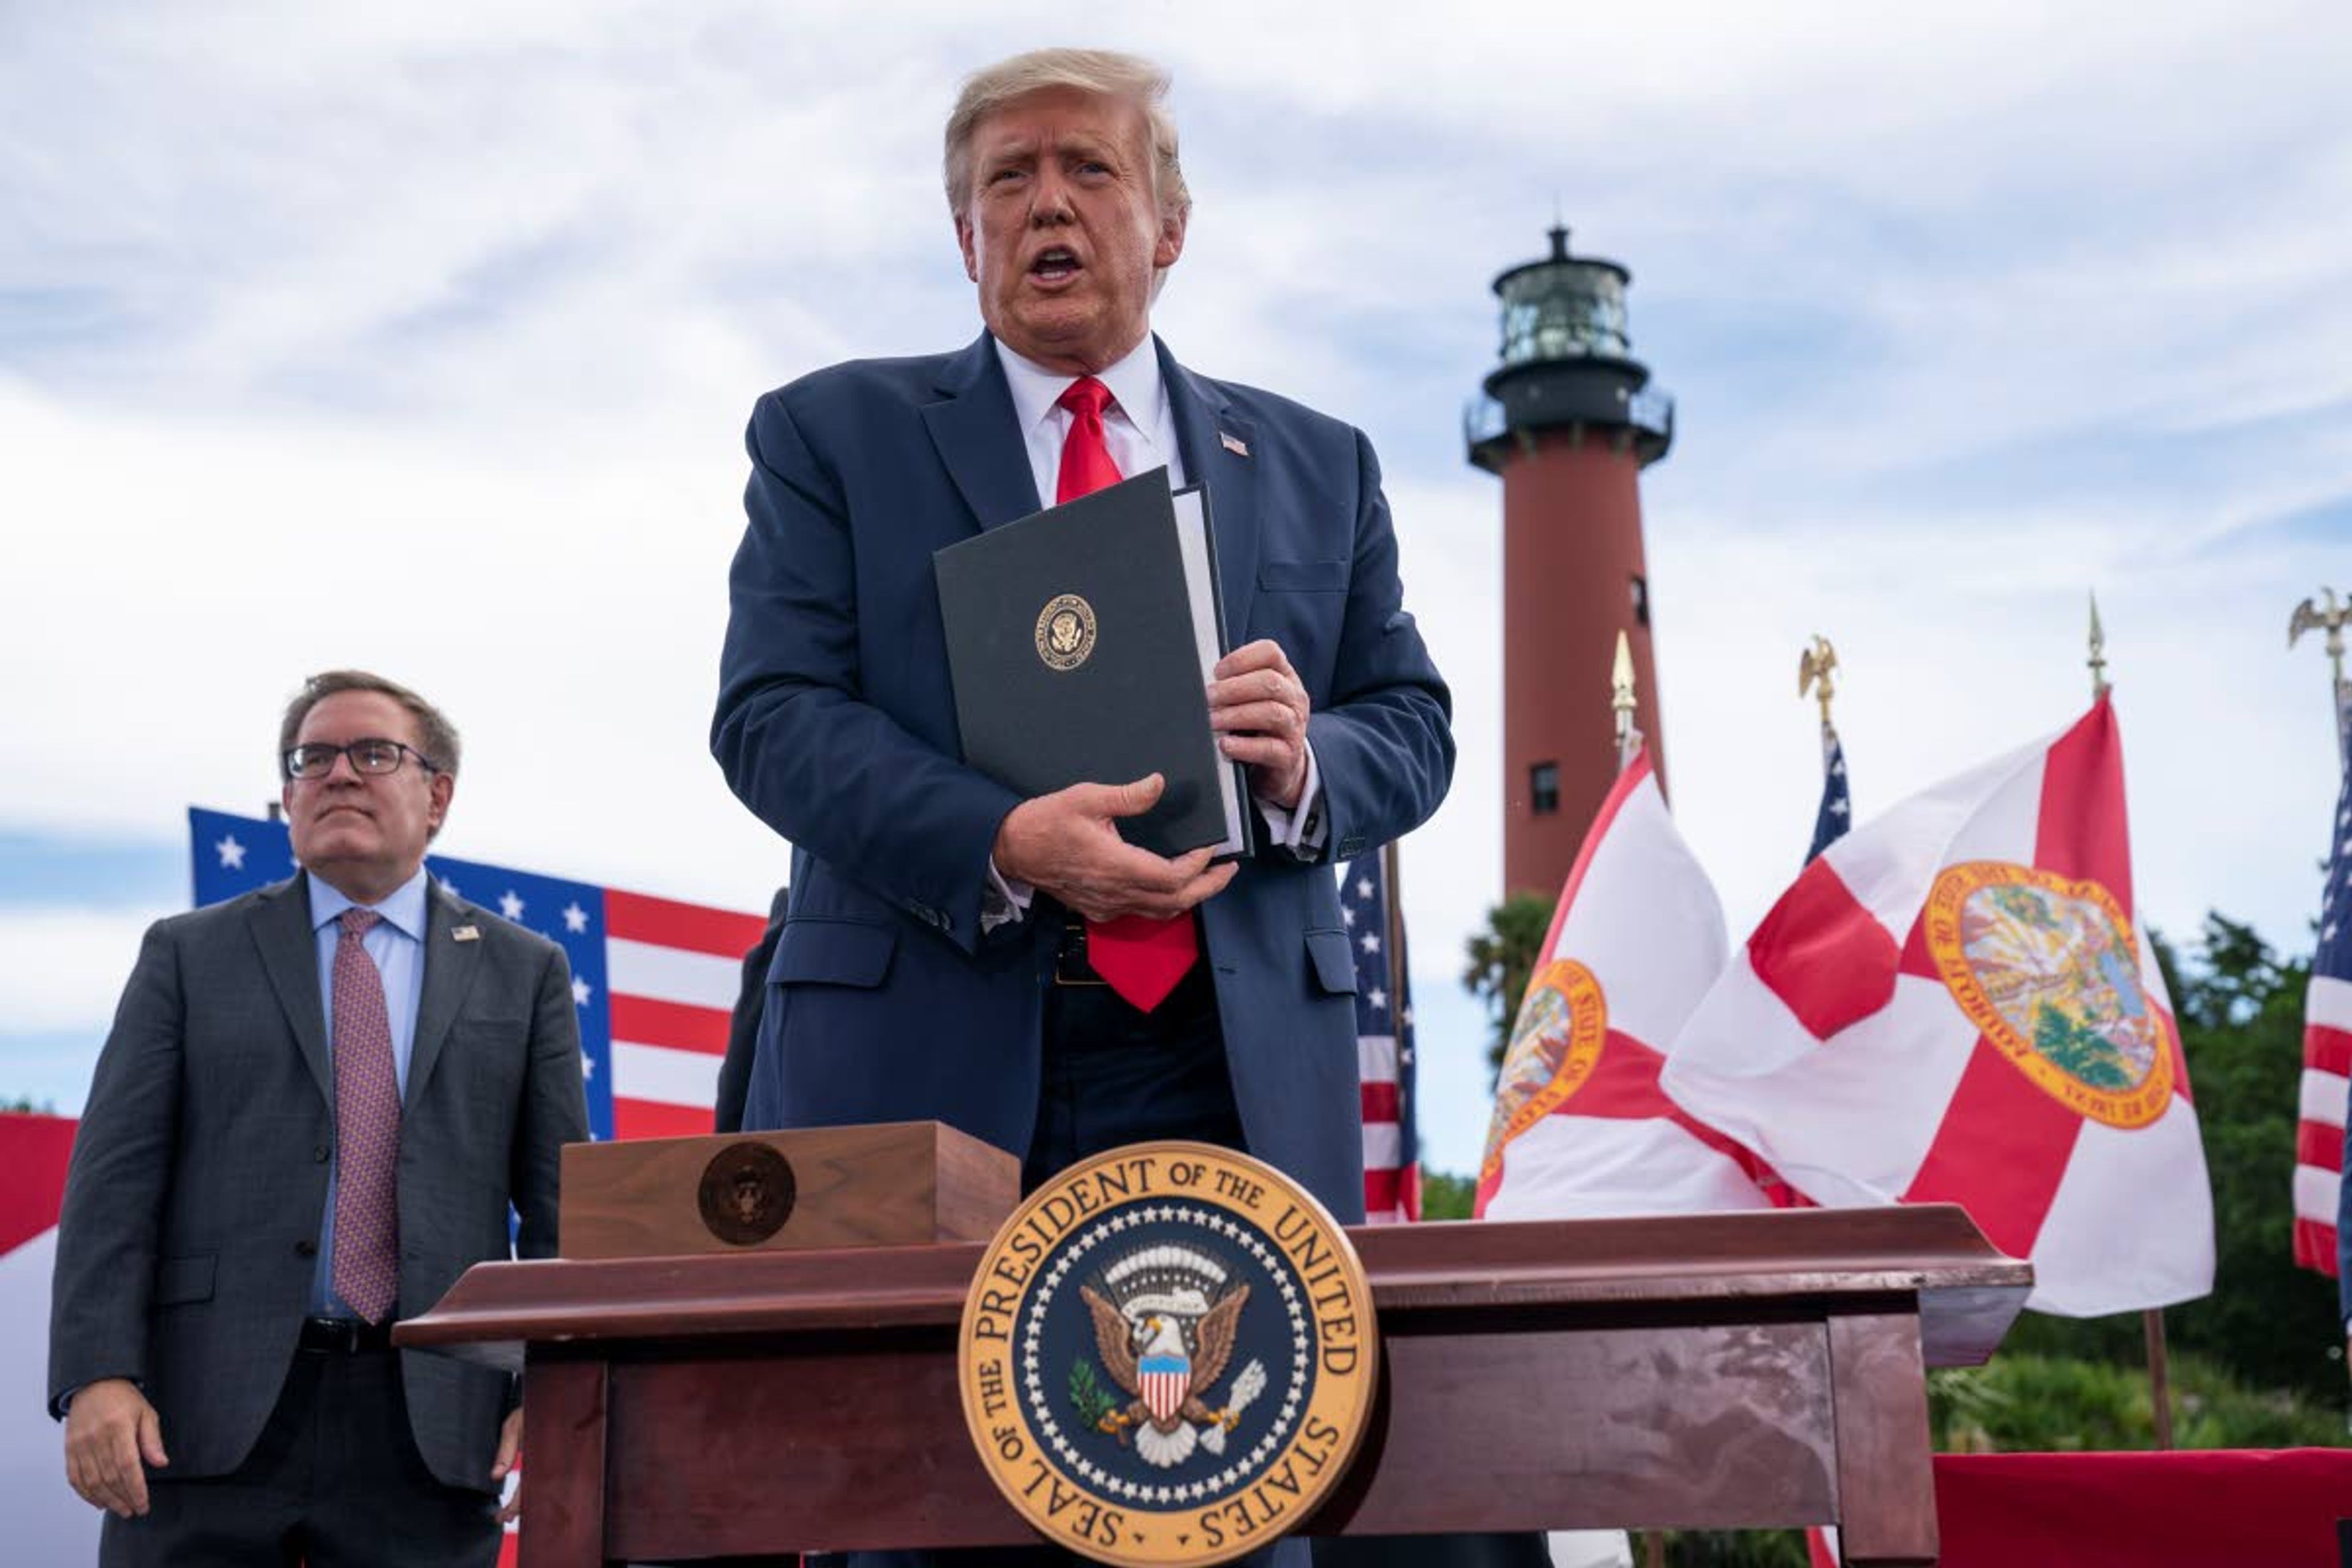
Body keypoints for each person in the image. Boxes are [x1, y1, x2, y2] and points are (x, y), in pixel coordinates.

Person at [48, 670, 590, 1567]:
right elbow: (114, 1185)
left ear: (437, 796)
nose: (339, 774)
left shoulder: (524, 971)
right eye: (313, 758)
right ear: (289, 795)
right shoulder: (187, 954)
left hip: (432, 1423)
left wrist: (556, 1388)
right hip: (200, 1418)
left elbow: (561, 1211)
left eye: (374, 754)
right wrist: (98, 1376)